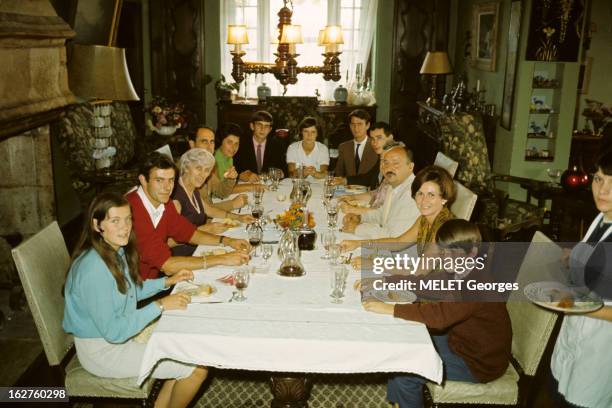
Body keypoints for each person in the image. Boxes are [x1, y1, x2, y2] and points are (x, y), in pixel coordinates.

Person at [63, 192, 208, 408]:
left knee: (184, 337)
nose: (125, 227)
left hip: (119, 334)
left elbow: (130, 290)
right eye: (115, 221)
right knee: (196, 367)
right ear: (97, 225)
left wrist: (167, 282)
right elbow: (115, 332)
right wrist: (159, 305)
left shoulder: (113, 250)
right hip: (104, 351)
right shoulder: (93, 269)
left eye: (128, 219)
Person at [361, 219, 512, 408]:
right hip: (460, 343)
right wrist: (385, 280)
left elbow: (438, 317)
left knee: (405, 371)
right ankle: (398, 403)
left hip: (479, 363)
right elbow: (425, 284)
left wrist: (389, 309)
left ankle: (403, 399)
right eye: (443, 251)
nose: (445, 257)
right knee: (402, 345)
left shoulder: (476, 285)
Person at [550, 151, 612, 408]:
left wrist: (572, 305)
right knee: (560, 393)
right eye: (599, 179)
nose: (603, 190)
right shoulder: (602, 218)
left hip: (601, 347)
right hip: (576, 334)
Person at [126, 152, 250, 280]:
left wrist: (228, 241)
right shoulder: (132, 211)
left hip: (153, 282)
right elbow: (167, 265)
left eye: (171, 180)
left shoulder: (164, 203)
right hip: (134, 290)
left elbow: (190, 234)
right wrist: (222, 258)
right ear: (143, 180)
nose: (167, 187)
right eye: (159, 180)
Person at [341, 166, 456, 271]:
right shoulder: (425, 219)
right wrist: (358, 243)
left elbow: (420, 272)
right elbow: (398, 242)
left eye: (431, 195)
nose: (424, 201)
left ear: (444, 198)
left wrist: (374, 264)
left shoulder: (443, 228)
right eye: (420, 193)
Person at [171, 148, 253, 256]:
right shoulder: (175, 198)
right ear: (186, 167)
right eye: (198, 168)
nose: (203, 175)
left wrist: (239, 217)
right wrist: (205, 229)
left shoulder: (193, 188)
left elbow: (209, 210)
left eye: (206, 170)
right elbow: (169, 241)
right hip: (185, 256)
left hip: (200, 245)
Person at [340, 145, 420, 239]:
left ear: (410, 166)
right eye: (386, 163)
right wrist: (360, 217)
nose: (389, 168)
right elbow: (383, 214)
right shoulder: (395, 186)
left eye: (396, 163)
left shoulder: (412, 194)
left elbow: (393, 237)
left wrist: (357, 228)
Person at [335, 121, 395, 190]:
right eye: (372, 139)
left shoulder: (395, 160)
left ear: (390, 138)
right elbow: (369, 177)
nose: (375, 143)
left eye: (379, 138)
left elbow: (383, 194)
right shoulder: (382, 156)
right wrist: (344, 180)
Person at [234, 110, 287, 180]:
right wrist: (241, 175)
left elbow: (285, 169)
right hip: (247, 185)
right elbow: (234, 168)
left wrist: (281, 173)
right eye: (259, 124)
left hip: (268, 186)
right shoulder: (240, 144)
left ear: (270, 129)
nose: (263, 129)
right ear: (252, 126)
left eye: (266, 126)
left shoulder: (277, 146)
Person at [214, 123, 262, 193]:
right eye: (229, 142)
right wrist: (255, 187)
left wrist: (241, 176)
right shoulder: (214, 160)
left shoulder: (229, 157)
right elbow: (223, 190)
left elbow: (228, 183)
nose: (233, 147)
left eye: (236, 143)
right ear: (221, 141)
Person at [334, 109, 378, 178]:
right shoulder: (343, 147)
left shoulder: (376, 146)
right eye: (353, 124)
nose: (356, 128)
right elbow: (339, 174)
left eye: (360, 124)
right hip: (348, 187)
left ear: (368, 125)